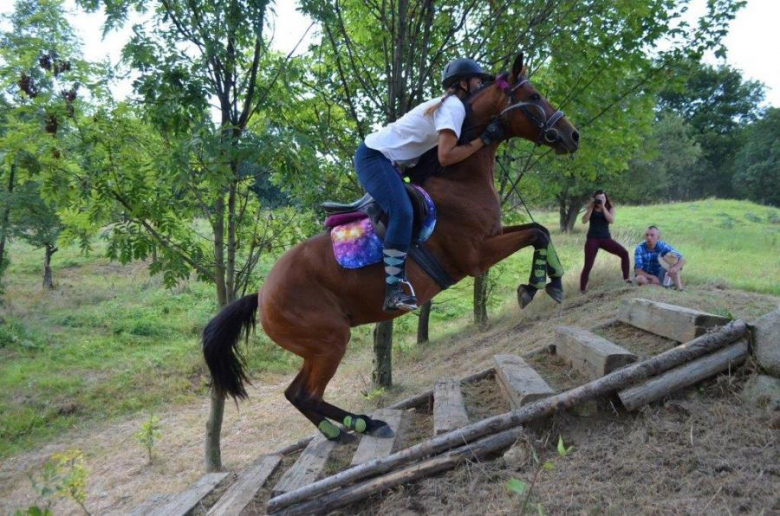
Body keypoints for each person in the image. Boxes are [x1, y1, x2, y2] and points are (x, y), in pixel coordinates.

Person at [354, 58, 505, 312]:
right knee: (402, 212)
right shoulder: (453, 107)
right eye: (478, 80)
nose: (481, 84)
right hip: (374, 157)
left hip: (387, 161)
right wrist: (483, 141)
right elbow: (446, 155)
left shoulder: (451, 105)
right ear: (464, 84)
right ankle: (392, 291)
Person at [579, 190, 630, 293]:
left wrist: (603, 208)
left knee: (624, 253)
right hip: (592, 239)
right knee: (588, 265)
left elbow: (611, 220)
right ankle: (583, 289)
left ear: (606, 198)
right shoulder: (591, 208)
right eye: (599, 198)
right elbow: (584, 221)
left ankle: (626, 279)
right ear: (594, 199)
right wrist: (590, 208)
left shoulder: (609, 208)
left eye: (603, 198)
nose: (601, 200)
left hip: (606, 238)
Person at [634, 225, 686, 289]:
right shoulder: (639, 248)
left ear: (658, 237)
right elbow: (638, 270)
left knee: (673, 259)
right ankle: (656, 286)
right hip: (646, 276)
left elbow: (682, 258)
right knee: (640, 278)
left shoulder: (662, 246)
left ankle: (679, 288)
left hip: (660, 274)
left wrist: (675, 268)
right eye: (647, 235)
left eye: (652, 235)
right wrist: (652, 277)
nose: (649, 237)